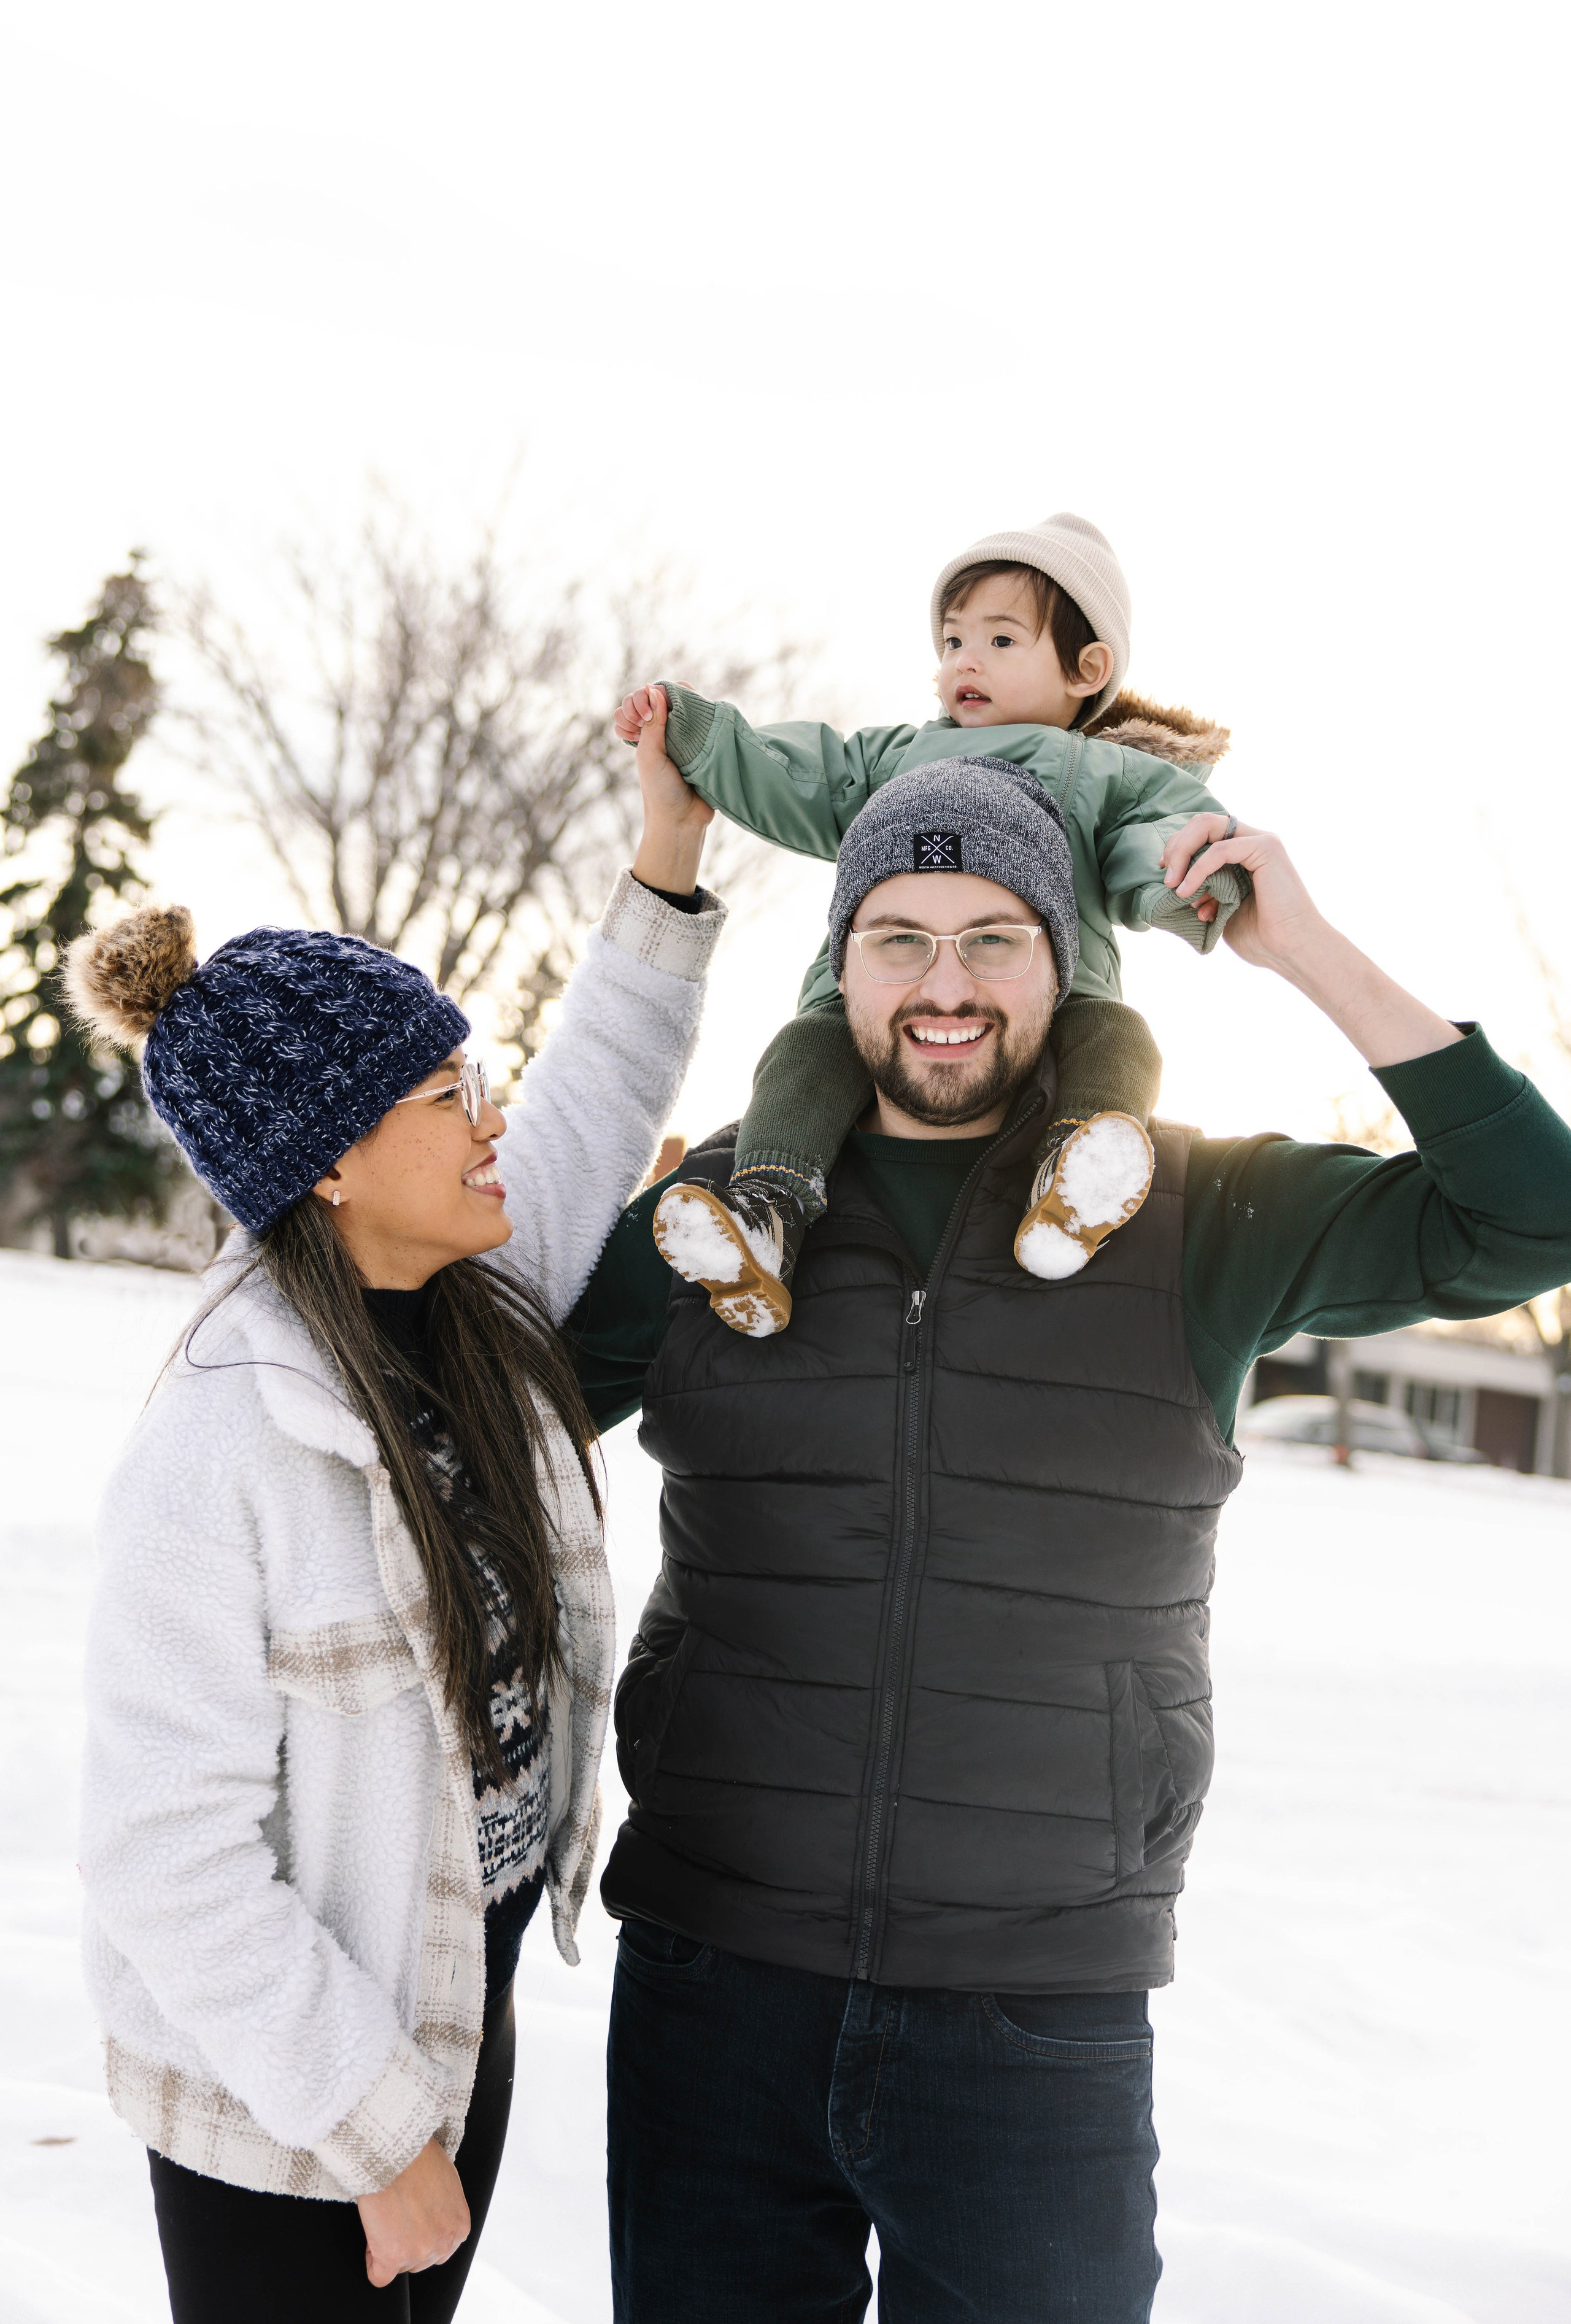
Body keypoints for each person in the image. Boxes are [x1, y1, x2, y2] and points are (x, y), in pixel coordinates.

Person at [565, 754, 1571, 2321]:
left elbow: (1531, 1217)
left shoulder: (1194, 1214)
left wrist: (1298, 942)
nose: (943, 983)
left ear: (1060, 960)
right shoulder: (718, 1220)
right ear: (840, 965)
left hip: (1034, 2014)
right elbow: (488, 1418)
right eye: (896, 935)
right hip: (715, 1981)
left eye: (992, 937)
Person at [71, 721, 722, 2323]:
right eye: (449, 1090)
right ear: (339, 1157)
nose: (490, 1114)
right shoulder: (222, 1442)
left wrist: (672, 840)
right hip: (285, 2097)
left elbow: (601, 1075)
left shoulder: (472, 1300)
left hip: (451, 2007)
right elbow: (168, 1853)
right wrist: (375, 2134)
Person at [614, 509, 1241, 1334]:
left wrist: (1189, 878)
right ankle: (768, 1210)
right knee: (806, 1050)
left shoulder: (1101, 770)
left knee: (1120, 1039)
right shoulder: (895, 758)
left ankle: (1077, 1175)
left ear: (1088, 668)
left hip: (1057, 995)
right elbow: (800, 776)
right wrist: (698, 734)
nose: (964, 662)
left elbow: (1159, 836)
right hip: (879, 998)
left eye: (1001, 641)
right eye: (951, 643)